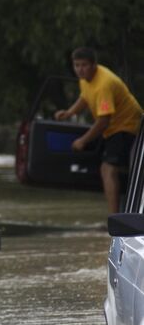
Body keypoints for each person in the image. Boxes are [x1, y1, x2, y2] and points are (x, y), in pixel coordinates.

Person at [55, 47, 143, 213]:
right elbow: (85, 96)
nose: (80, 69)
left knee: (108, 169)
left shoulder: (104, 84)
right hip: (113, 128)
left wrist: (83, 140)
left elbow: (103, 121)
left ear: (94, 65)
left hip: (127, 126)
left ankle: (114, 219)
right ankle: (123, 212)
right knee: (110, 169)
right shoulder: (86, 79)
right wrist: (70, 112)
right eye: (76, 65)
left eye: (84, 65)